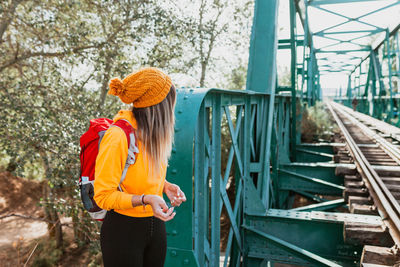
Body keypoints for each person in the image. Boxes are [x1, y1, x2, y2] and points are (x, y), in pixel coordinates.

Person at [94, 67, 186, 267]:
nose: (172, 110)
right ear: (156, 107)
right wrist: (145, 199)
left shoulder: (153, 136)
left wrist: (164, 186)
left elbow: (137, 175)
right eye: (169, 103)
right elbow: (102, 196)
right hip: (123, 232)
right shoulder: (118, 136)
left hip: (156, 227)